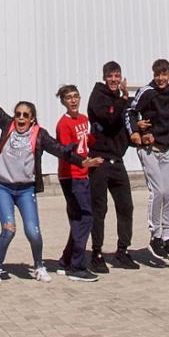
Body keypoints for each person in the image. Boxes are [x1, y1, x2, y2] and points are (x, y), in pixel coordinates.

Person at [0, 51, 102, 285]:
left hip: (25, 189)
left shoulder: (39, 134)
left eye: (26, 115)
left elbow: (61, 149)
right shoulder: (8, 126)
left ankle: (39, 266)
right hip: (3, 187)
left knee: (33, 232)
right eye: (18, 114)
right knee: (9, 229)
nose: (21, 118)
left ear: (33, 118)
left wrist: (81, 161)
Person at [125, 58, 169, 262]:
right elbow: (130, 112)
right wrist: (136, 130)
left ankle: (167, 236)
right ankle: (155, 235)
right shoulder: (146, 91)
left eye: (164, 74)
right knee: (157, 191)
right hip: (149, 148)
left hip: (168, 147)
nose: (160, 78)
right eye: (157, 74)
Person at [86, 61, 137, 272]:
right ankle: (97, 254)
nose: (114, 80)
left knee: (126, 207)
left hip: (118, 161)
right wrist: (125, 100)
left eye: (117, 76)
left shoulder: (122, 100)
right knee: (100, 209)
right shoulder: (98, 96)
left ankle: (122, 251)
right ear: (104, 77)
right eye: (111, 76)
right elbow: (110, 117)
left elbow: (126, 123)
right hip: (100, 161)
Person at [55, 84, 98, 282]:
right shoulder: (63, 124)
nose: (73, 100)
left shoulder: (83, 119)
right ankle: (77, 265)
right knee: (84, 217)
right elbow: (66, 152)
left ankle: (66, 260)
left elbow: (87, 141)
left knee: (80, 218)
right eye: (68, 98)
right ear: (63, 101)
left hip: (83, 173)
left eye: (75, 97)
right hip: (71, 175)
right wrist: (83, 162)